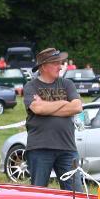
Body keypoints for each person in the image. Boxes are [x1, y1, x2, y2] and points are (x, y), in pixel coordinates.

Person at [22, 47, 83, 190]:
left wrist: (46, 107)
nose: (60, 67)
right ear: (43, 66)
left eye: (60, 63)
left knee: (76, 195)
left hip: (67, 147)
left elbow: (77, 107)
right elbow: (38, 109)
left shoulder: (67, 84)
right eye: (55, 63)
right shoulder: (31, 86)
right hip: (39, 148)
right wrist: (63, 103)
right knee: (39, 194)